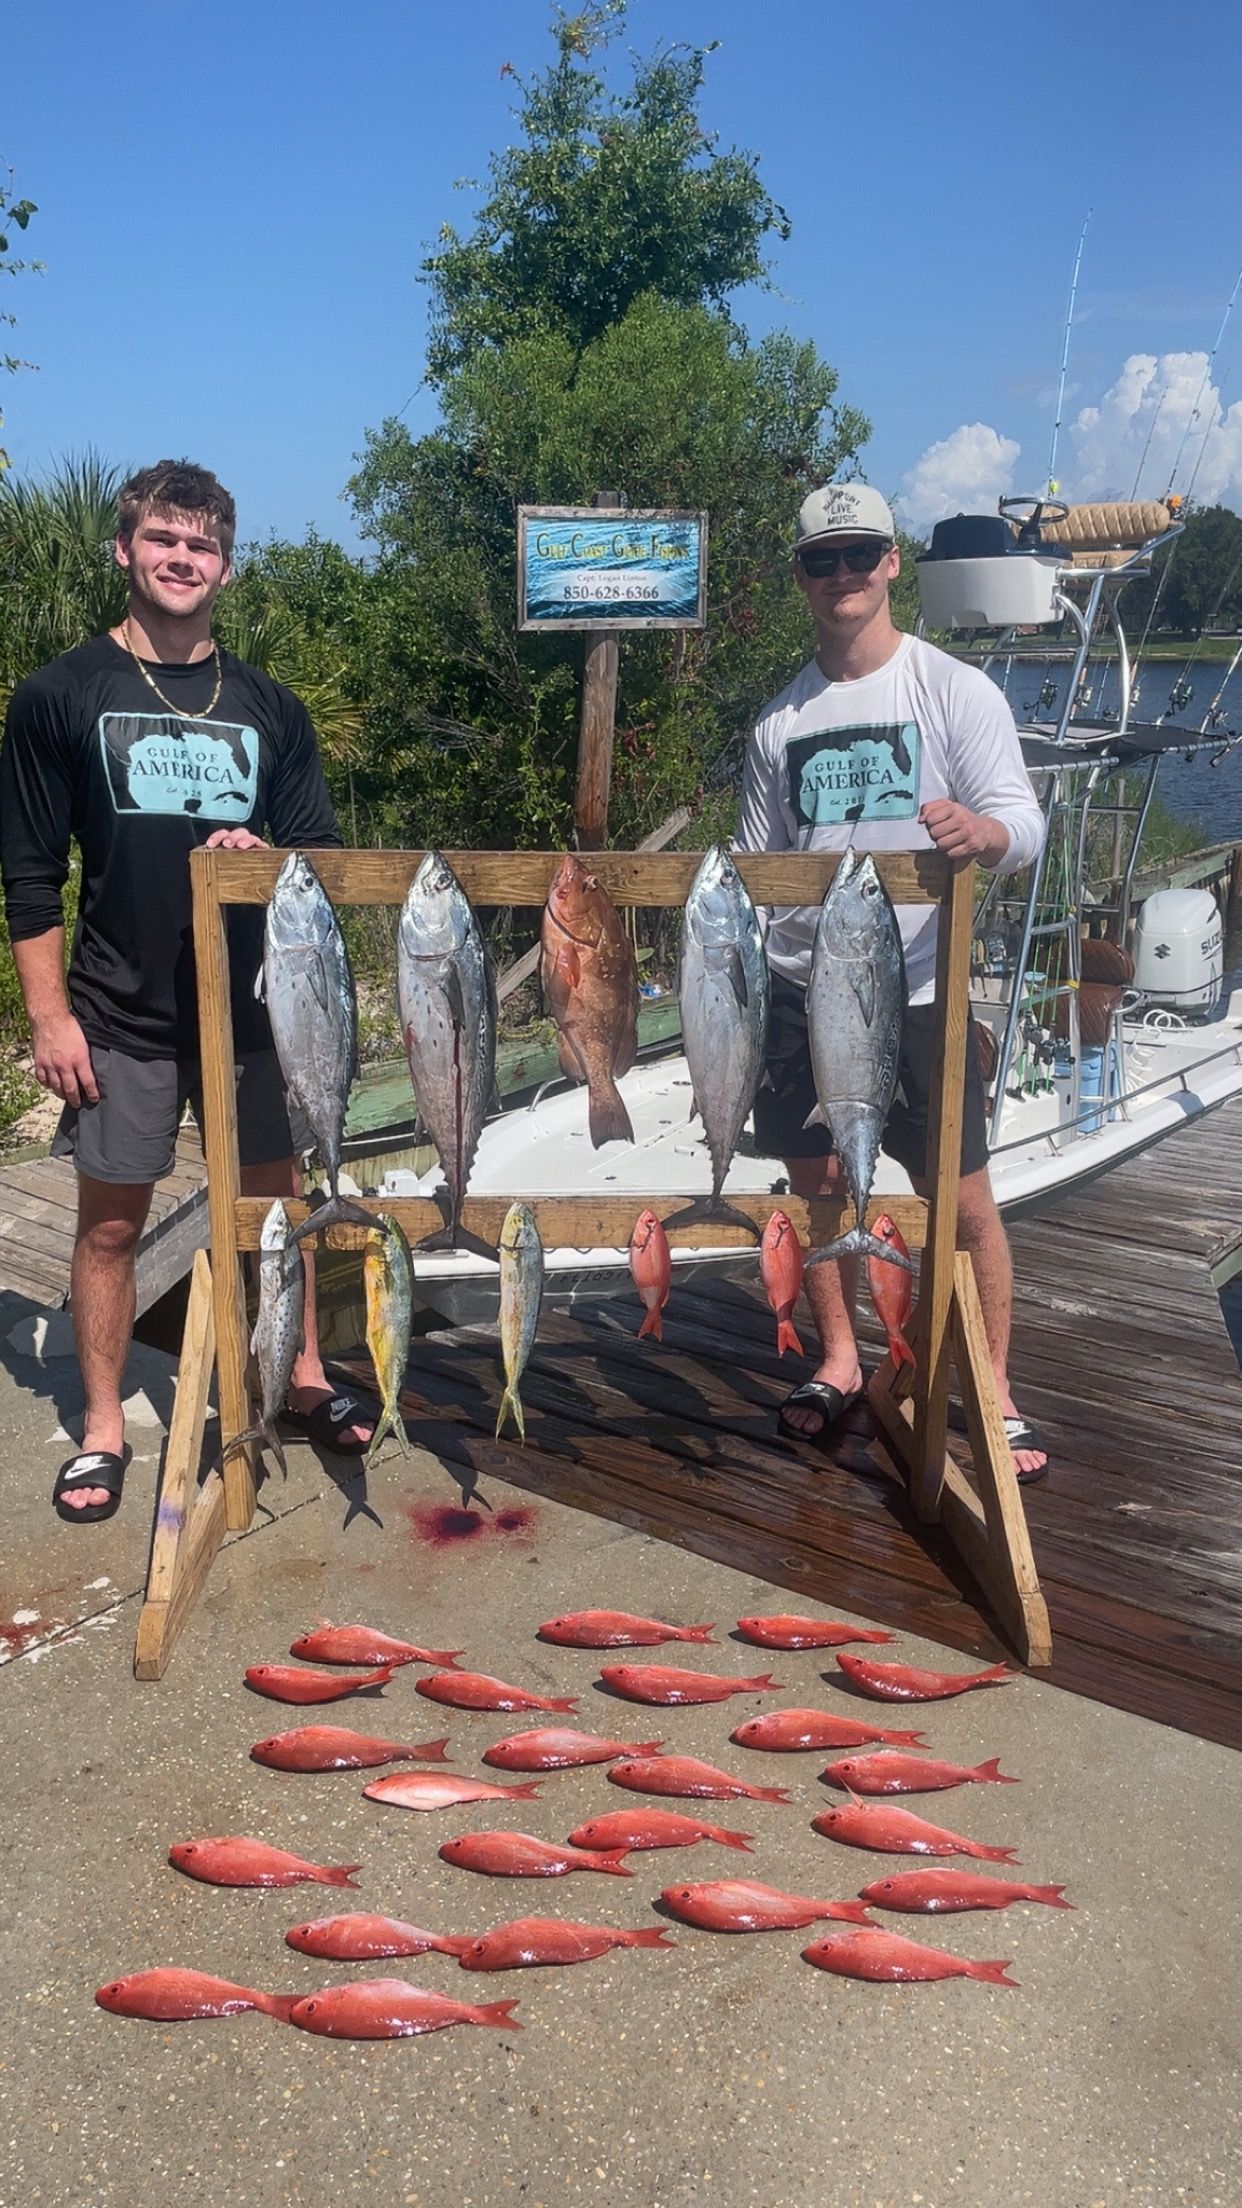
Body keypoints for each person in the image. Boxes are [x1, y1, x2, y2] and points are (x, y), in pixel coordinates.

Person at [0, 458, 376, 1523]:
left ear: (225, 565)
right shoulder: (62, 695)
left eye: (202, 545)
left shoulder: (269, 707)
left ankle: (302, 1377)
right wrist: (48, 1015)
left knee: (276, 1211)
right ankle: (106, 1425)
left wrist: (269, 851)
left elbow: (322, 854)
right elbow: (29, 871)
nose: (181, 559)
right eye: (164, 540)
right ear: (126, 550)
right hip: (119, 1015)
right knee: (112, 1226)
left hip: (261, 1015)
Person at [737, 482, 1049, 1480]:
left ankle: (990, 1387)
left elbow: (1023, 824)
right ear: (801, 576)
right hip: (798, 991)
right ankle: (839, 1357)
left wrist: (984, 832)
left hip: (914, 991)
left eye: (859, 553)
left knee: (958, 1198)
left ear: (891, 563)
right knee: (819, 1184)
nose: (842, 574)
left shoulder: (955, 692)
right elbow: (755, 867)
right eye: (821, 559)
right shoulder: (778, 722)